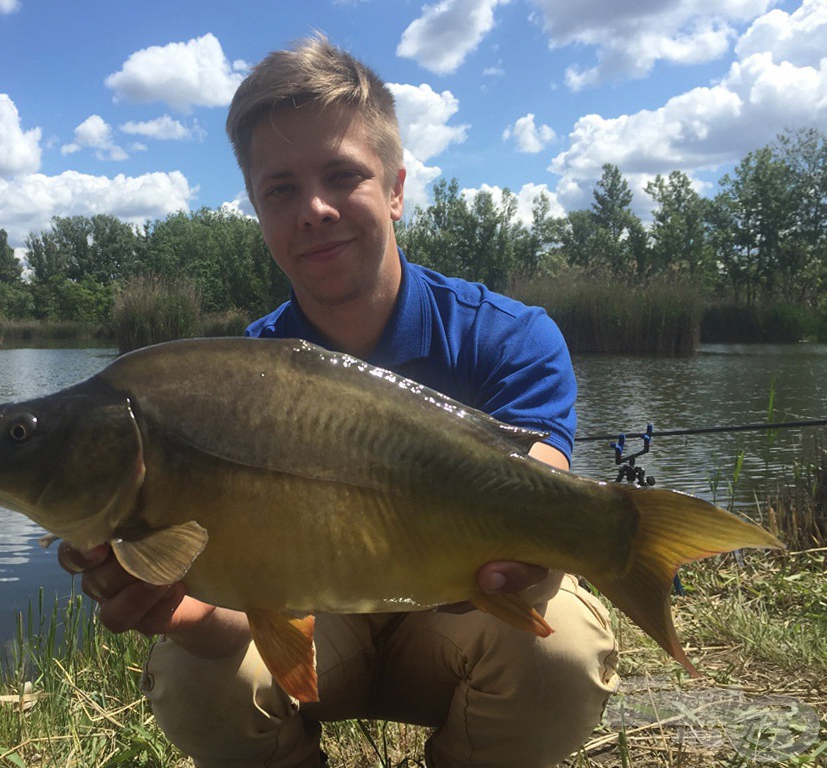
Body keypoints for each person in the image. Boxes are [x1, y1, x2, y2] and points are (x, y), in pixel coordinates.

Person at [58, 35, 619, 768]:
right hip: (321, 632)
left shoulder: (509, 336)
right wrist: (191, 617)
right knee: (194, 673)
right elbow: (247, 616)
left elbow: (541, 482)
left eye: (342, 175)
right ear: (258, 211)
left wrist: (542, 555)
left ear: (395, 189)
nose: (314, 209)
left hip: (458, 622)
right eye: (280, 189)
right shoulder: (231, 384)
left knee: (564, 647)